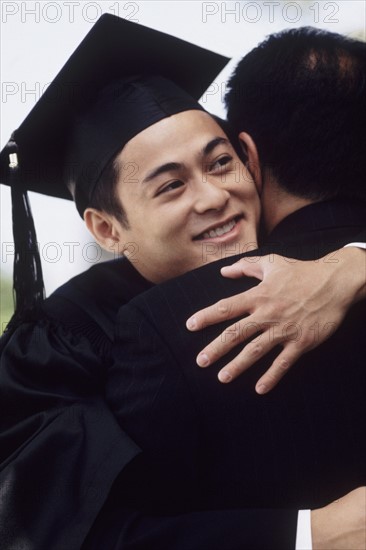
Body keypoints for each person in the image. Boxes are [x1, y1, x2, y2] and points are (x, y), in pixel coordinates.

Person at [0, 17, 364, 550]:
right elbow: (61, 535)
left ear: (251, 163)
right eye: (171, 186)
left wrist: (350, 266)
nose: (214, 196)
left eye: (220, 163)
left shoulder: (316, 263)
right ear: (107, 228)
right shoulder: (65, 340)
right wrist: (315, 533)